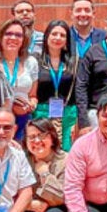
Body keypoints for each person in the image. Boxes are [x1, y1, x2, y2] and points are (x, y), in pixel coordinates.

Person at [16, 117, 69, 212]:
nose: (37, 141)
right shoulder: (22, 160)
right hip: (29, 207)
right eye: (31, 137)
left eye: (42, 135)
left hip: (56, 208)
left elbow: (62, 195)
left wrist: (45, 173)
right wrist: (30, 204)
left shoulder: (65, 159)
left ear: (52, 137)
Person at [34, 20, 79, 150]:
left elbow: (79, 91)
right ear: (47, 36)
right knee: (43, 150)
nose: (58, 38)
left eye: (62, 35)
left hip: (68, 115)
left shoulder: (74, 62)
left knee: (67, 152)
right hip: (41, 114)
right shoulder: (35, 60)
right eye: (54, 34)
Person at [0, 18, 39, 138]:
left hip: (23, 120)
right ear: (1, 36)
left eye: (18, 35)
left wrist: (31, 105)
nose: (13, 38)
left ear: (24, 40)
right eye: (8, 34)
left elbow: (33, 96)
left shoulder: (31, 62)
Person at [68, 0, 107, 64]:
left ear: (93, 14)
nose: (83, 14)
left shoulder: (105, 37)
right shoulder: (64, 36)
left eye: (87, 10)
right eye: (78, 10)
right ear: (71, 14)